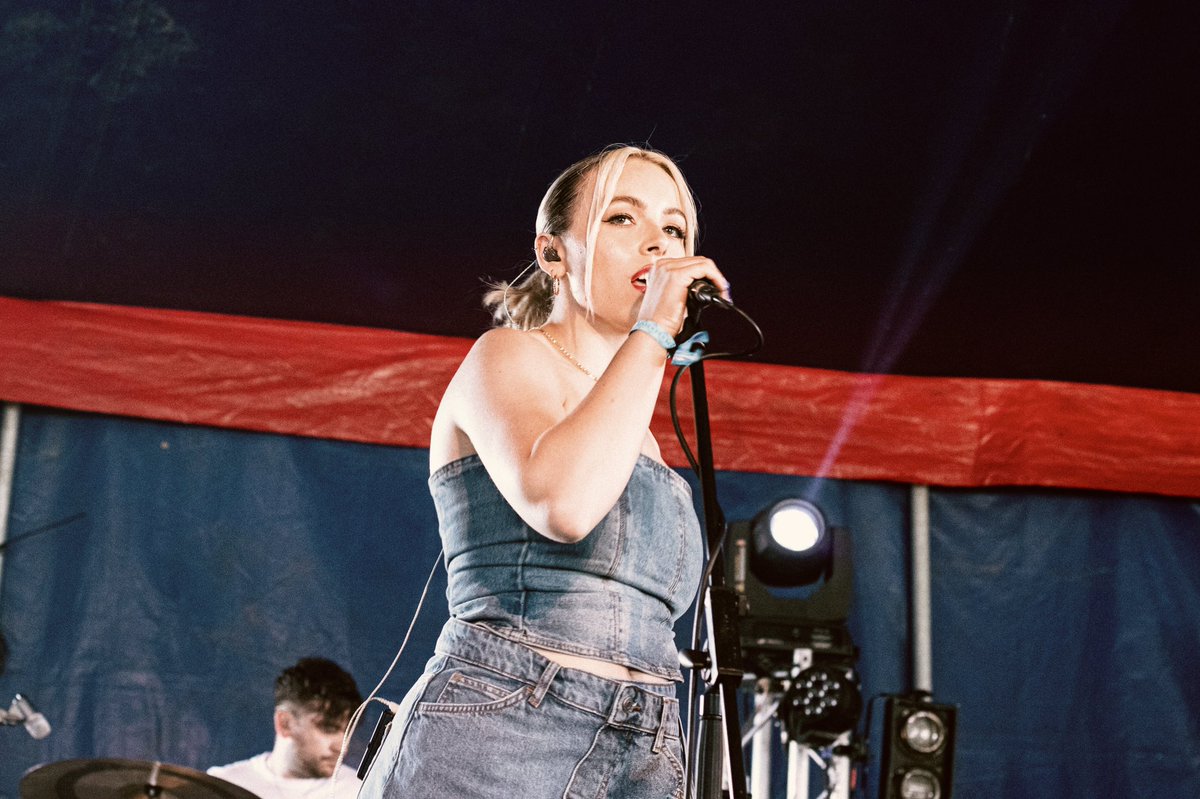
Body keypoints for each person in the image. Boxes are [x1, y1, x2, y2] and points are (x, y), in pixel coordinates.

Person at [357, 145, 730, 799]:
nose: (657, 244)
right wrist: (652, 332)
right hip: (506, 725)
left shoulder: (639, 427)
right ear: (554, 252)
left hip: (647, 745)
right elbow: (561, 503)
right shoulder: (508, 356)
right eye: (623, 219)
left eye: (674, 229)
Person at [208, 657, 363, 799]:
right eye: (329, 729)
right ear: (285, 723)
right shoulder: (220, 785)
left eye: (347, 731)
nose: (342, 746)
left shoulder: (363, 791)